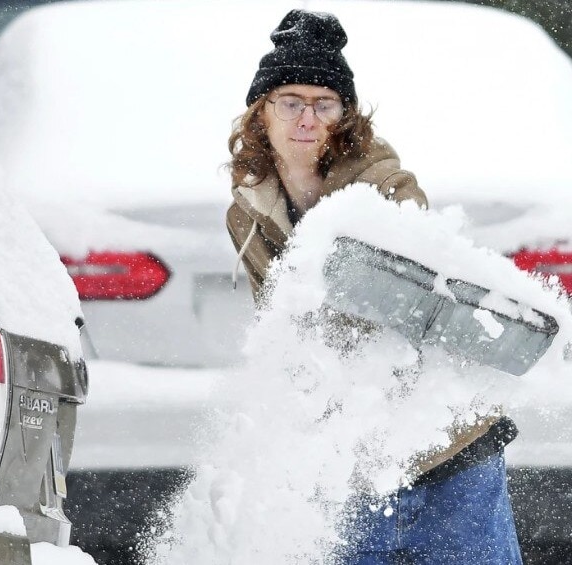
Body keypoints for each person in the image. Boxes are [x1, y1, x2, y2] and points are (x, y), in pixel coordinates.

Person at [225, 9, 524, 564]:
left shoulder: (384, 189)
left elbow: (414, 306)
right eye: (291, 101)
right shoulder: (248, 212)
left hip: (447, 451)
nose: (307, 118)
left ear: (345, 115)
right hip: (350, 462)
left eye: (325, 104)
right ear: (261, 114)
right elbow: (281, 332)